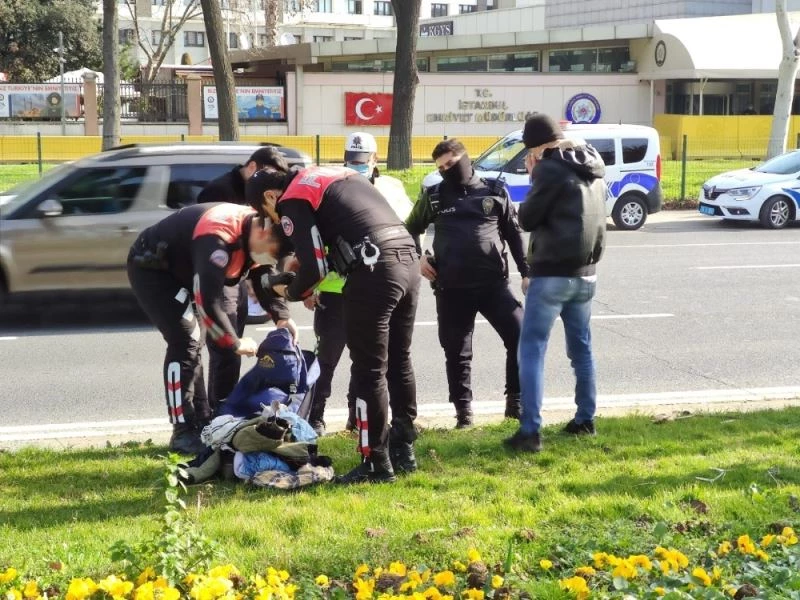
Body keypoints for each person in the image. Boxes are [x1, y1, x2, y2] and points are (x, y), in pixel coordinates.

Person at [245, 165, 420, 484]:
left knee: (369, 370)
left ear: (270, 196)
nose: (273, 218)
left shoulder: (292, 197)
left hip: (373, 268)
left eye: (266, 211)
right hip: (407, 257)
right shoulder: (331, 174)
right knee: (399, 360)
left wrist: (290, 290)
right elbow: (349, 225)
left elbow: (315, 270)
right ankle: (403, 450)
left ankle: (375, 463)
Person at [127, 203, 292, 454]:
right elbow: (209, 300)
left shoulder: (258, 231)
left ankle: (203, 420)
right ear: (262, 233)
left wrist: (281, 316)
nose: (270, 261)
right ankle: (182, 430)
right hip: (153, 269)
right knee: (186, 340)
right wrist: (234, 342)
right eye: (271, 253)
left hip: (189, 268)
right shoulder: (218, 240)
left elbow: (262, 274)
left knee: (197, 340)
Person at [405, 139, 529, 429]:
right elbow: (409, 229)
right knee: (457, 352)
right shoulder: (434, 196)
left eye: (451, 163)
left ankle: (515, 403)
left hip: (493, 285)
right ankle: (464, 416)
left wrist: (526, 272)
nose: (447, 170)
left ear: (465, 158)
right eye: (441, 167)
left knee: (521, 336)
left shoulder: (495, 191)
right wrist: (418, 257)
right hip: (451, 289)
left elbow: (513, 234)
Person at [504, 114, 607, 453]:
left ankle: (530, 431)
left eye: (529, 154)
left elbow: (528, 218)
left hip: (552, 274)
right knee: (582, 348)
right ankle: (585, 419)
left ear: (536, 148)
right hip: (587, 272)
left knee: (531, 349)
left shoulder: (549, 168)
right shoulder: (592, 162)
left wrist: (535, 175)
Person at [303, 132, 414, 436]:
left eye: (362, 161)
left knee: (367, 358)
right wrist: (311, 284)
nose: (356, 165)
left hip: (374, 286)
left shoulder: (391, 187)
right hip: (334, 288)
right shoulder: (333, 184)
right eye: (351, 160)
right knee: (326, 358)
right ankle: (314, 415)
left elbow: (408, 227)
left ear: (375, 159)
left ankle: (356, 415)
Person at [197, 146, 298, 412]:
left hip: (241, 271)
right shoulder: (220, 193)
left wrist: (280, 312)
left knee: (235, 340)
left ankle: (227, 405)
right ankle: (218, 411)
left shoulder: (267, 208)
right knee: (225, 346)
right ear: (253, 168)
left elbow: (263, 259)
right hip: (215, 271)